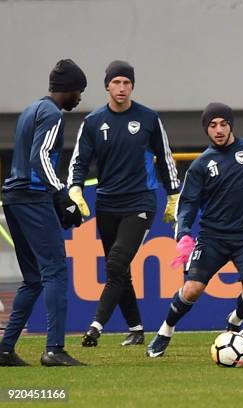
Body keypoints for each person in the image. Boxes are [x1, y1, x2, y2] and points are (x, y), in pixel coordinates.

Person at [146, 102, 243, 358]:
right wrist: (184, 233)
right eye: (212, 125)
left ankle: (235, 323)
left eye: (223, 124)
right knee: (192, 289)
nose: (218, 130)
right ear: (206, 130)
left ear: (231, 125)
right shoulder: (200, 165)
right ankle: (165, 331)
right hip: (212, 238)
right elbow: (187, 204)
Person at [67, 60, 181, 347]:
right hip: (106, 204)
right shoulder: (93, 122)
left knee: (117, 261)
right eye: (116, 82)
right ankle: (136, 327)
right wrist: (75, 188)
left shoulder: (148, 118)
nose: (122, 87)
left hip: (140, 203)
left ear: (132, 86)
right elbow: (79, 160)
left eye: (127, 82)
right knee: (119, 270)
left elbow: (165, 157)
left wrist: (173, 194)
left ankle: (95, 326)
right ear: (107, 85)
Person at [0, 59, 87, 366]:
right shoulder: (52, 114)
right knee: (55, 272)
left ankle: (5, 349)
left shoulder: (30, 109)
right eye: (79, 91)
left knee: (34, 278)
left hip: (13, 197)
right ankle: (54, 349)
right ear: (68, 89)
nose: (79, 98)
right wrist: (62, 197)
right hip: (32, 198)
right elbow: (40, 158)